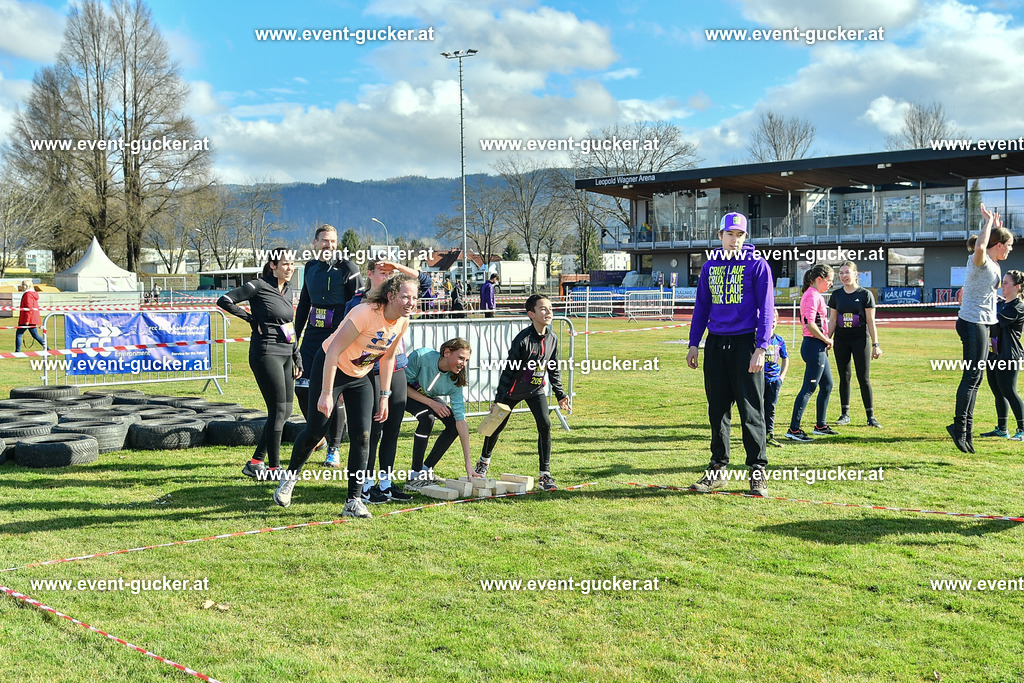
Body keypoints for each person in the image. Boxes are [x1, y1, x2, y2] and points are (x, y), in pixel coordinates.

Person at [274, 274, 418, 519]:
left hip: (359, 376)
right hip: (331, 367)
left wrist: (384, 396)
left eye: (414, 297)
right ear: (391, 296)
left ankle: (353, 500)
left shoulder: (402, 321)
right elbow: (333, 352)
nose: (410, 302)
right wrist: (327, 394)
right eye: (405, 296)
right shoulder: (364, 313)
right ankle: (289, 479)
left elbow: (388, 358)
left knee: (364, 435)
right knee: (317, 430)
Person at [686, 212, 774, 496]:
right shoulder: (710, 266)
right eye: (730, 234)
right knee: (717, 411)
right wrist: (693, 343)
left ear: (745, 238)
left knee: (751, 412)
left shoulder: (758, 266)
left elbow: (767, 309)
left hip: (746, 344)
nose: (734, 240)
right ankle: (717, 470)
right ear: (720, 235)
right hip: (716, 344)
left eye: (740, 235)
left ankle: (757, 473)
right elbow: (701, 307)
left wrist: (761, 347)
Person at [344, 259, 433, 504]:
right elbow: (345, 341)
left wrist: (398, 267)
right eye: (382, 273)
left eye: (391, 274)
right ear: (370, 274)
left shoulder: (402, 299)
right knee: (373, 430)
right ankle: (365, 484)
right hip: (369, 369)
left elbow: (426, 282)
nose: (387, 277)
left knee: (393, 427)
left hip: (396, 366)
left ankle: (386, 483)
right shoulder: (358, 302)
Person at [217, 251, 302, 478]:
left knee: (286, 411)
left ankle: (256, 462)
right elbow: (224, 300)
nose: (290, 267)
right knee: (277, 410)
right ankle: (274, 467)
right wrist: (250, 319)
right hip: (266, 352)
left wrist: (297, 355)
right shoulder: (258, 285)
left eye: (292, 264)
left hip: (286, 351)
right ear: (273, 265)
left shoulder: (288, 289)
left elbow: (289, 324)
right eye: (285, 264)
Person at [474, 294, 570, 491]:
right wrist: (499, 400)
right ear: (531, 314)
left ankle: (545, 475)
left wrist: (560, 394)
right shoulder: (523, 339)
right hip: (512, 391)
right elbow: (509, 371)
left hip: (535, 389)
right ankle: (483, 463)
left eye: (550, 308)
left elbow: (553, 368)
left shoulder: (552, 338)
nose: (548, 312)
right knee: (497, 425)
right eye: (543, 308)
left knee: (545, 424)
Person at [293, 224, 363, 466]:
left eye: (332, 241)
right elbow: (303, 304)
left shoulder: (348, 268)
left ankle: (334, 447)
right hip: (313, 335)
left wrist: (350, 336)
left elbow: (358, 303)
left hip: (339, 334)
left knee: (335, 393)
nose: (329, 246)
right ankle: (318, 435)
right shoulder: (310, 268)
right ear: (315, 243)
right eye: (324, 241)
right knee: (302, 387)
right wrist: (295, 336)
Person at [950, 203, 1013, 453]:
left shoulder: (994, 265)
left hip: (982, 323)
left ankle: (965, 430)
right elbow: (980, 247)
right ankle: (959, 427)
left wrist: (996, 228)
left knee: (975, 381)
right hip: (972, 322)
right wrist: (988, 222)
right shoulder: (982, 260)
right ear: (998, 246)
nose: (1010, 249)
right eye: (1008, 245)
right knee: (971, 377)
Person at [403, 338, 477, 490]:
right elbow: (401, 385)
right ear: (447, 352)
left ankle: (425, 470)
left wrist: (468, 463)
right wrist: (431, 403)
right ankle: (414, 476)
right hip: (403, 392)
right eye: (461, 358)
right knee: (427, 418)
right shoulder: (422, 356)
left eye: (467, 360)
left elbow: (460, 421)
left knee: (453, 424)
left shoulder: (456, 379)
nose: (464, 363)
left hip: (426, 396)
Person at [785, 264, 837, 442]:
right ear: (819, 279)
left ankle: (820, 426)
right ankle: (794, 429)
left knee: (827, 385)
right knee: (809, 388)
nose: (831, 284)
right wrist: (826, 339)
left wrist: (824, 340)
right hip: (814, 345)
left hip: (818, 345)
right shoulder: (812, 296)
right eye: (829, 280)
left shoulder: (816, 296)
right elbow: (809, 323)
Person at [828, 261, 882, 428]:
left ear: (855, 274)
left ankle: (870, 416)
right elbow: (833, 320)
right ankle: (845, 414)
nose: (844, 276)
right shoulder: (836, 295)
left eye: (847, 272)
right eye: (841, 273)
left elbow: (871, 322)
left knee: (863, 378)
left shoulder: (865, 295)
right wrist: (826, 339)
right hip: (842, 341)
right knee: (844, 378)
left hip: (861, 340)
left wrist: (876, 344)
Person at [980, 270, 1024, 440]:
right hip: (994, 355)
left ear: (1017, 287)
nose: (1001, 286)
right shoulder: (1001, 304)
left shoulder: (1017, 306)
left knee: (1009, 391)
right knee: (998, 392)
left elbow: (995, 321)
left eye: (1005, 283)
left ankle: (1022, 429)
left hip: (1009, 355)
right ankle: (1002, 429)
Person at [764, 309, 789, 448]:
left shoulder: (779, 341)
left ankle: (769, 435)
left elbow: (786, 359)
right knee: (757, 409)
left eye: (774, 320)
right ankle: (758, 435)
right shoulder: (758, 339)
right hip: (759, 379)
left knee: (770, 407)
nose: (771, 323)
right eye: (769, 320)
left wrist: (782, 376)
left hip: (774, 380)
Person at [15, 280, 45, 352]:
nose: (22, 286)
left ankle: (17, 351)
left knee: (19, 334)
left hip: (27, 319)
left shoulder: (28, 294)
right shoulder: (31, 294)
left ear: (28, 286)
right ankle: (48, 349)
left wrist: (27, 320)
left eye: (24, 285)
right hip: (31, 319)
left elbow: (29, 308)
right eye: (22, 284)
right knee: (35, 335)